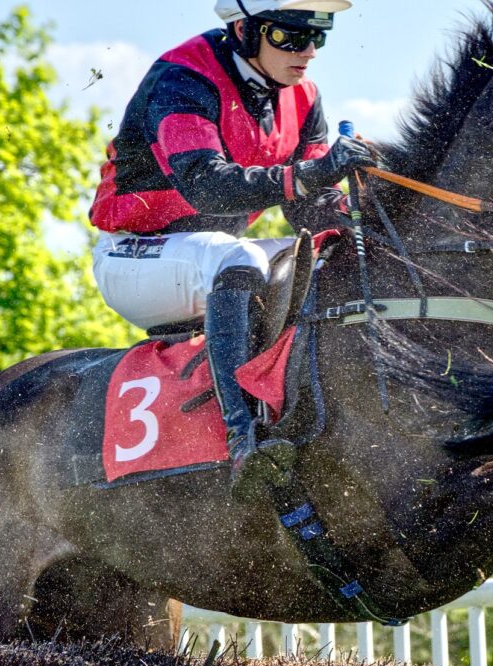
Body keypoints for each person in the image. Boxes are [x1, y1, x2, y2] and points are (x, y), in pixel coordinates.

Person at [89, 0, 376, 501]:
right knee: (239, 256)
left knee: (316, 258)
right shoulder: (182, 78)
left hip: (208, 257)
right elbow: (208, 187)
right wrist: (309, 175)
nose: (307, 52)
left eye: (317, 38)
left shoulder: (305, 96)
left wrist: (355, 222)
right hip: (132, 255)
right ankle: (243, 436)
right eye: (290, 36)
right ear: (244, 30)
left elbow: (310, 208)